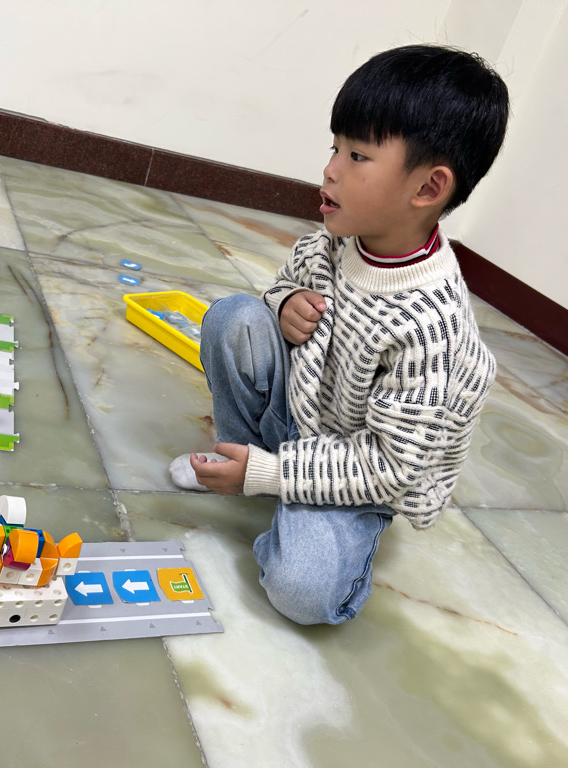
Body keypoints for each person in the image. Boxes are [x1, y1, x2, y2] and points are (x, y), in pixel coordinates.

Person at [169, 44, 509, 625]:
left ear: (428, 189)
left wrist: (275, 478)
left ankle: (285, 499)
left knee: (302, 593)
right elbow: (281, 288)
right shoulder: (333, 242)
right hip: (298, 419)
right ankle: (240, 458)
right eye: (334, 147)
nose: (330, 169)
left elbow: (387, 466)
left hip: (359, 472)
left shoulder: (432, 327)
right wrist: (283, 305)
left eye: (357, 156)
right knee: (233, 317)